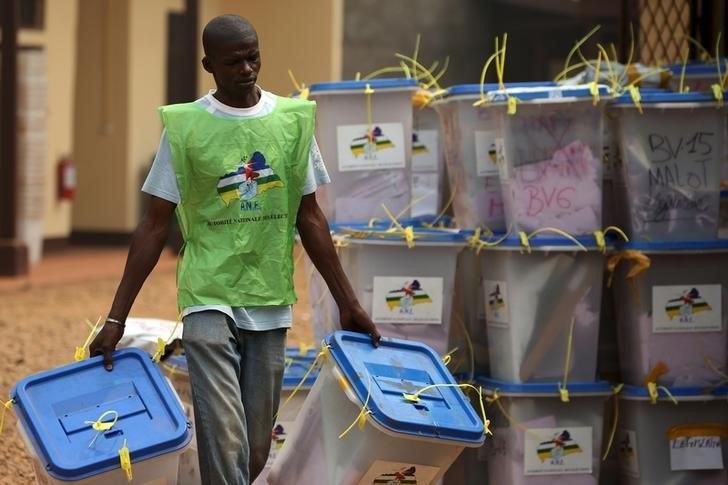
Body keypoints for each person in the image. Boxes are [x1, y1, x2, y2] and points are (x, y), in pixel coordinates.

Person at [89, 14, 380, 485]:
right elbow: (153, 226)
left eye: (253, 57)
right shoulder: (184, 129)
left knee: (255, 447)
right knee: (225, 437)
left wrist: (349, 304)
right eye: (233, 61)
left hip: (268, 292)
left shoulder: (292, 122)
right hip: (207, 291)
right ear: (209, 65)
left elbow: (310, 219)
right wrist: (116, 318)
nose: (247, 69)